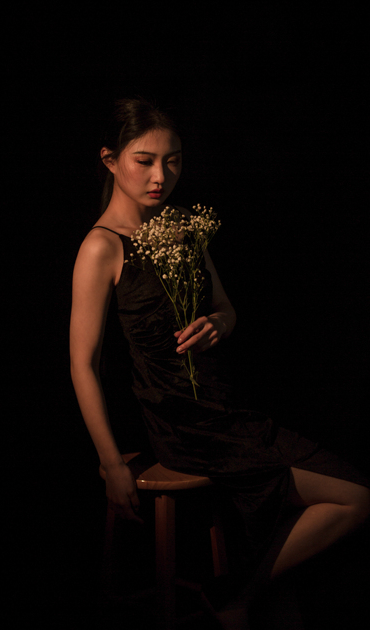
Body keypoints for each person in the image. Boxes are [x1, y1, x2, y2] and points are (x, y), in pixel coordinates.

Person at [70, 97, 370, 629]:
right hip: (178, 421)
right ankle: (240, 594)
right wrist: (112, 463)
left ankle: (237, 592)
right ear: (110, 160)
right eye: (145, 160)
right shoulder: (101, 246)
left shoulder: (184, 224)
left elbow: (227, 309)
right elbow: (82, 364)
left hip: (223, 404)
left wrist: (218, 324)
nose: (161, 176)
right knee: (354, 498)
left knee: (353, 494)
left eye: (173, 161)